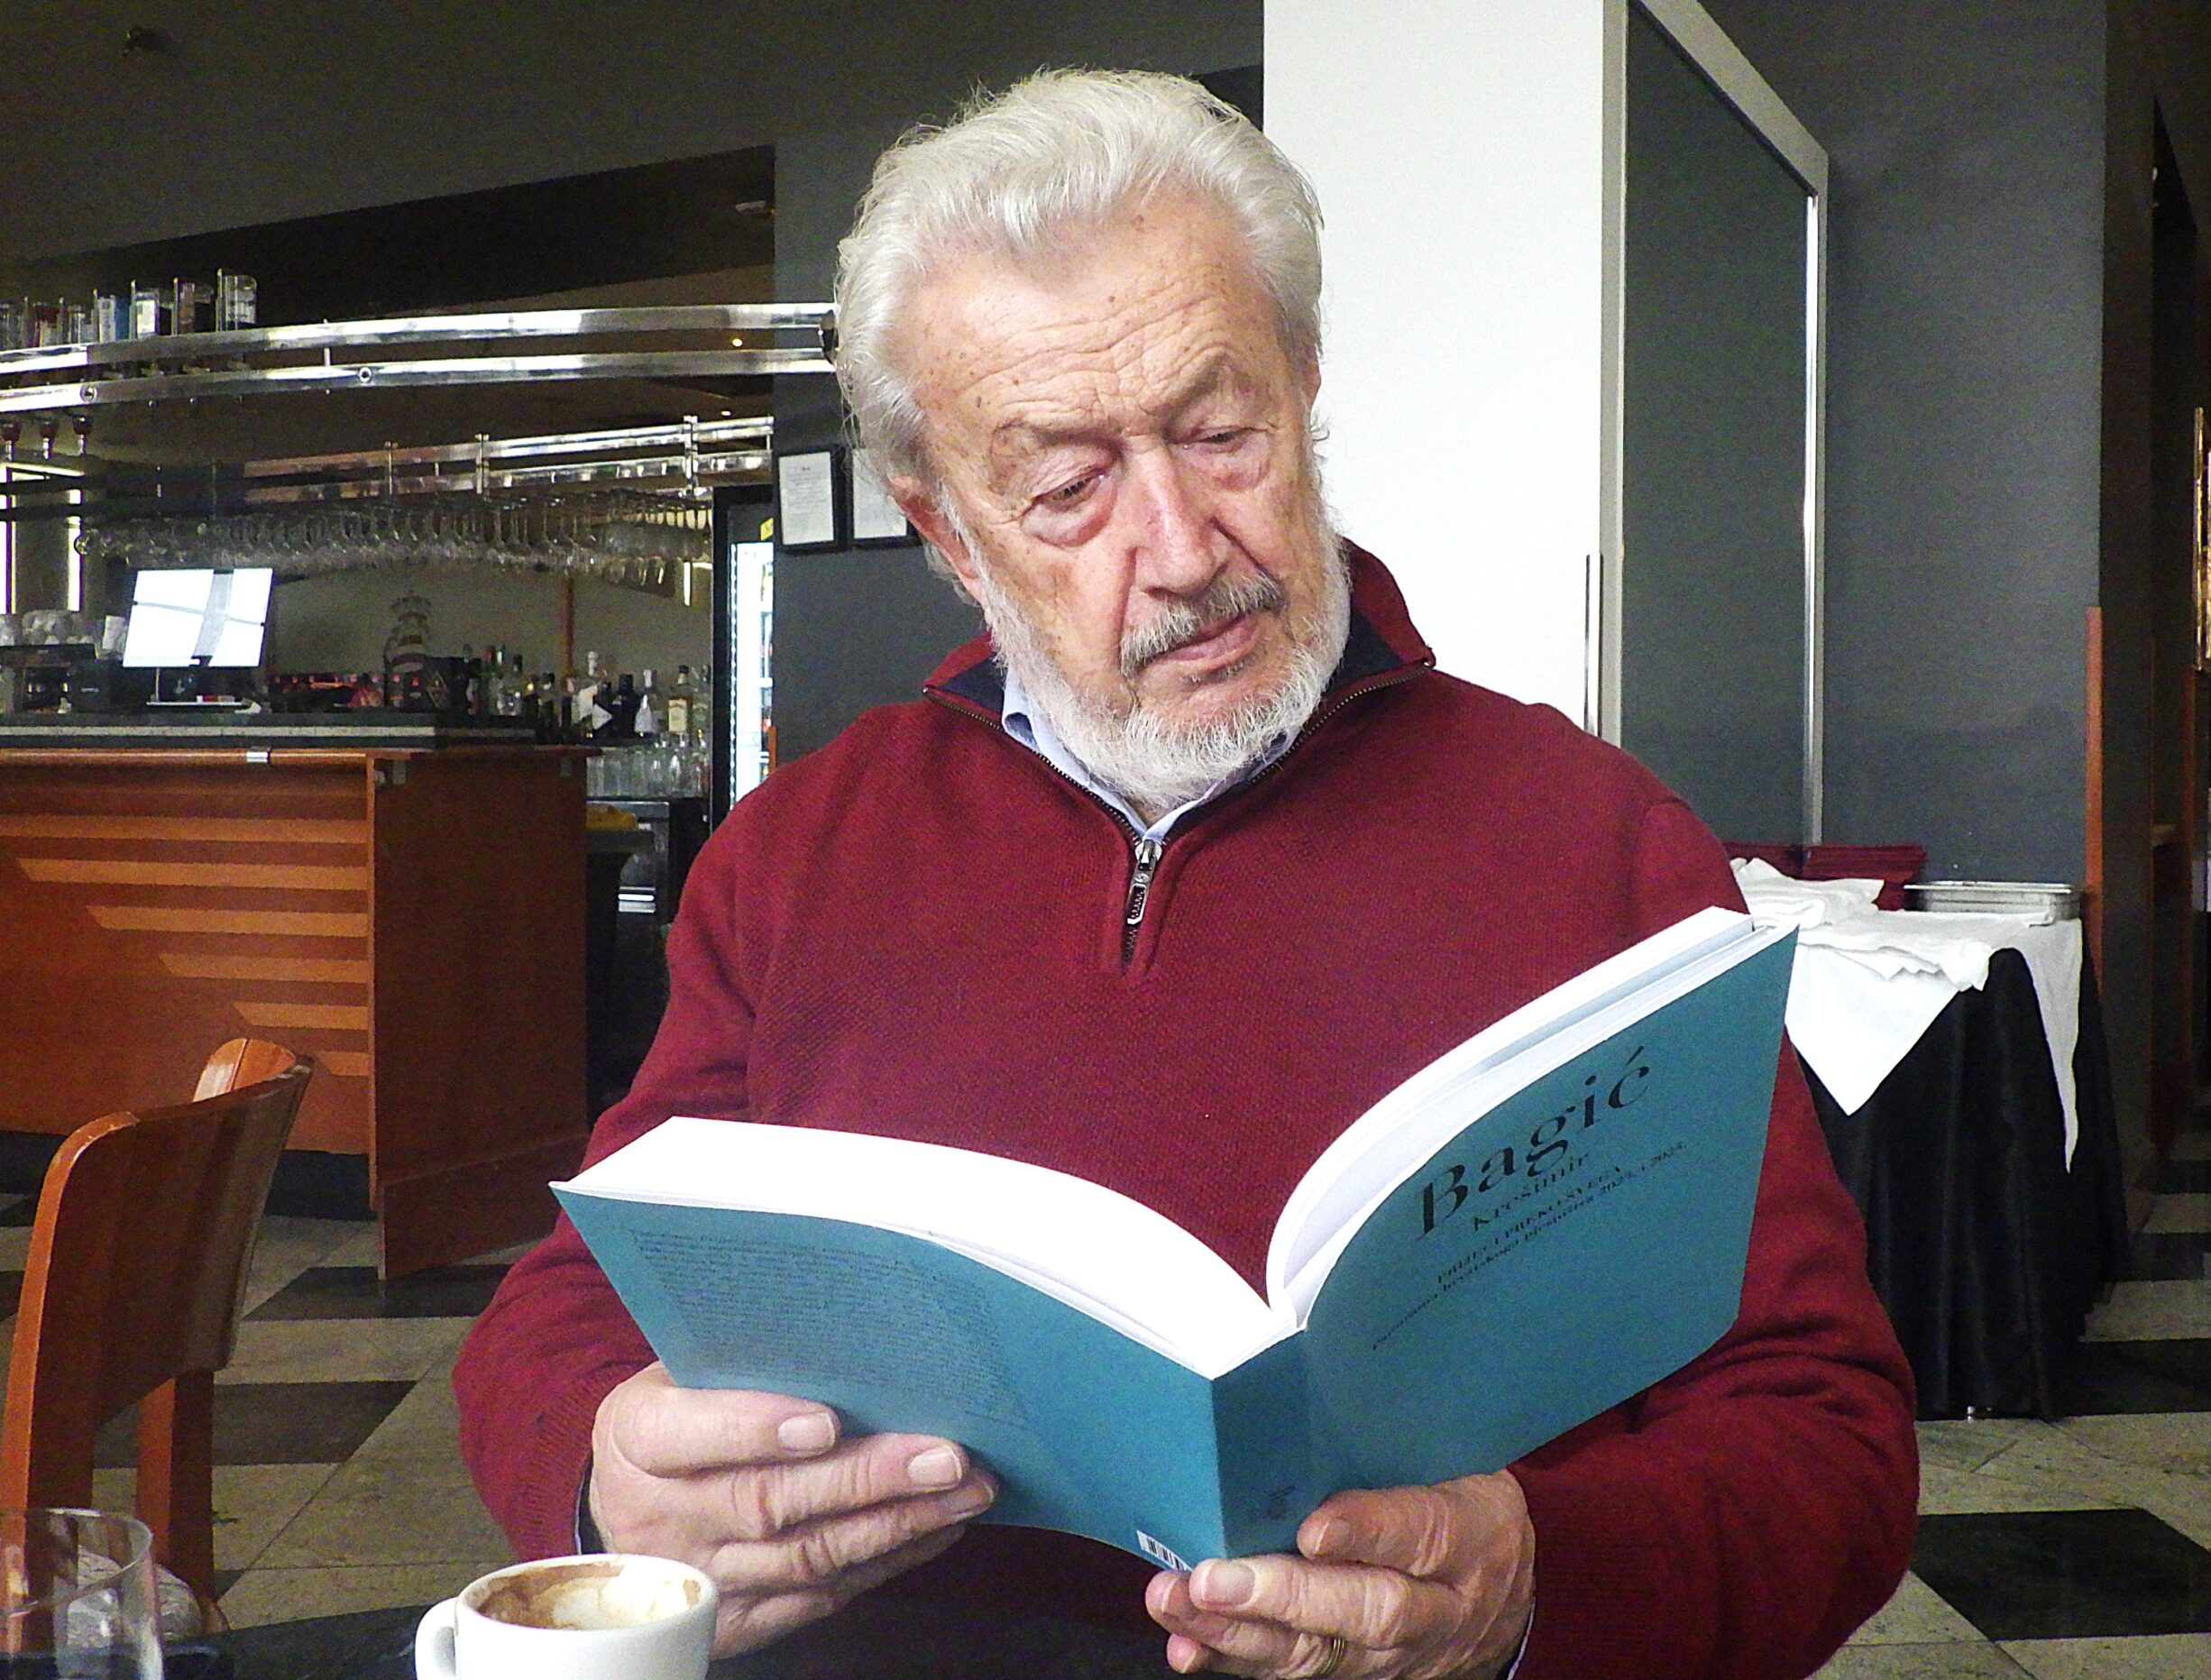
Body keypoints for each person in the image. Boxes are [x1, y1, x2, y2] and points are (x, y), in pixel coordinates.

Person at [454, 69, 1918, 1680]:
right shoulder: (801, 853)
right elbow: (574, 1303)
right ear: (948, 532)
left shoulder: (1602, 843)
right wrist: (604, 1474)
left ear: (1306, 386)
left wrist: (1534, 1585)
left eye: (1222, 434)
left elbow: (1827, 1437)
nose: (1182, 548)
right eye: (1067, 487)